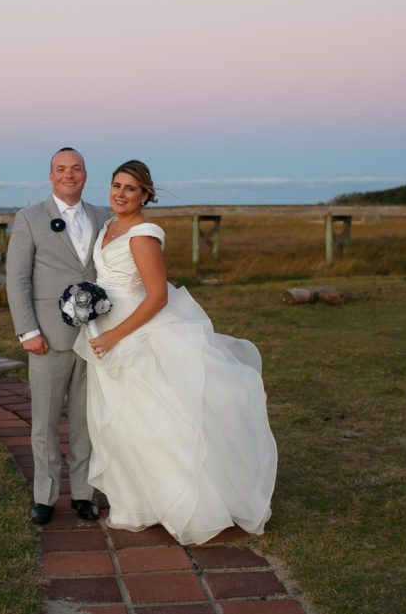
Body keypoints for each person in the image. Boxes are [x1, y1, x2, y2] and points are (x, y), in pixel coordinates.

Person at [73, 160, 277, 545]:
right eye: (116, 185)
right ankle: (136, 504)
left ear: (146, 195)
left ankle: (184, 504)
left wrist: (115, 335)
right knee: (122, 423)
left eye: (130, 188)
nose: (120, 193)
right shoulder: (109, 227)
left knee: (157, 421)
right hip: (105, 332)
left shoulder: (144, 234)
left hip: (135, 335)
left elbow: (157, 297)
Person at [6, 147, 110, 524]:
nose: (69, 175)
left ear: (85, 174)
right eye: (61, 169)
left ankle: (83, 493)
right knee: (45, 422)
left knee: (86, 421)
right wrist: (27, 331)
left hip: (94, 338)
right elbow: (17, 279)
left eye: (76, 168)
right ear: (51, 176)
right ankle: (45, 496)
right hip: (47, 338)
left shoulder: (102, 216)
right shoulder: (30, 218)